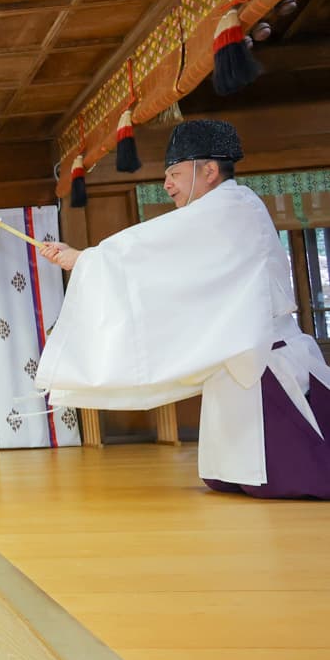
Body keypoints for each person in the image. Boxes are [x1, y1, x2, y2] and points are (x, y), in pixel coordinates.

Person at [36, 119, 330, 498]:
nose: (167, 184)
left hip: (264, 359)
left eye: (174, 174)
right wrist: (85, 259)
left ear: (209, 171)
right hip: (241, 358)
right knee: (239, 478)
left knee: (294, 474)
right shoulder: (219, 212)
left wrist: (85, 260)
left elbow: (149, 249)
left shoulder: (230, 206)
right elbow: (165, 265)